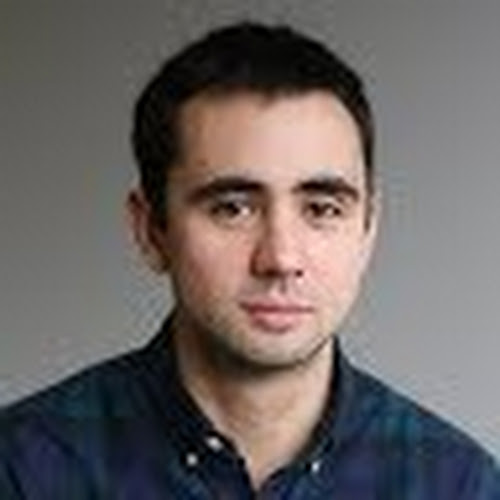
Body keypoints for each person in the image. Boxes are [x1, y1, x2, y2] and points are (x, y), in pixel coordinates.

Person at [1, 22, 499, 499]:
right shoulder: (23, 466)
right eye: (232, 208)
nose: (280, 258)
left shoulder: (459, 485)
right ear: (151, 230)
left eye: (322, 209)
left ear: (368, 229)